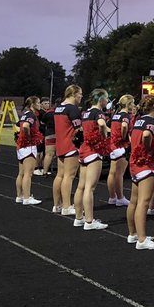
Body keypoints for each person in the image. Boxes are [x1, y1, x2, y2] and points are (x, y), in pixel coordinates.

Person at [126, 96, 154, 250]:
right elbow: (147, 135)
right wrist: (148, 149)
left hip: (134, 163)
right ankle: (142, 239)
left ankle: (133, 234)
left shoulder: (138, 121)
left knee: (134, 201)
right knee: (144, 202)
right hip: (145, 165)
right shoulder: (151, 122)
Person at [74, 89, 111, 231]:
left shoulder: (86, 112)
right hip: (93, 150)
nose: (107, 102)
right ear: (101, 99)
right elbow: (101, 124)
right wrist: (104, 136)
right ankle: (89, 221)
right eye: (106, 99)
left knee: (81, 186)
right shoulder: (98, 112)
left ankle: (79, 218)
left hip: (84, 149)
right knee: (90, 188)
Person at [52, 86, 85, 217]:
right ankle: (66, 206)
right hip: (71, 145)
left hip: (60, 144)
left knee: (60, 175)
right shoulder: (73, 109)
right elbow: (79, 129)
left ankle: (57, 205)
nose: (81, 97)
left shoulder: (58, 108)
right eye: (80, 94)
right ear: (74, 94)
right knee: (69, 176)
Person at [14, 97, 44, 205]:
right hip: (28, 146)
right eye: (39, 103)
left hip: (21, 146)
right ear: (33, 104)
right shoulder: (31, 115)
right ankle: (26, 198)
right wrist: (29, 137)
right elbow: (26, 126)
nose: (40, 105)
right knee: (28, 173)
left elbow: (18, 126)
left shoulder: (25, 114)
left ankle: (19, 196)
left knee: (21, 173)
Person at [106, 95, 134, 207]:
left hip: (113, 145)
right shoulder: (125, 115)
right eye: (132, 103)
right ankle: (120, 197)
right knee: (119, 174)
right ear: (128, 104)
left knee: (112, 173)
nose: (134, 105)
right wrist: (124, 137)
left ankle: (112, 197)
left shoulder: (116, 115)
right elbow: (124, 126)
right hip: (122, 146)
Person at [38, 101, 57, 178]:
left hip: (49, 134)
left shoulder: (47, 113)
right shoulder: (62, 113)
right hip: (59, 134)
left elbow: (42, 123)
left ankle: (45, 171)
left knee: (48, 154)